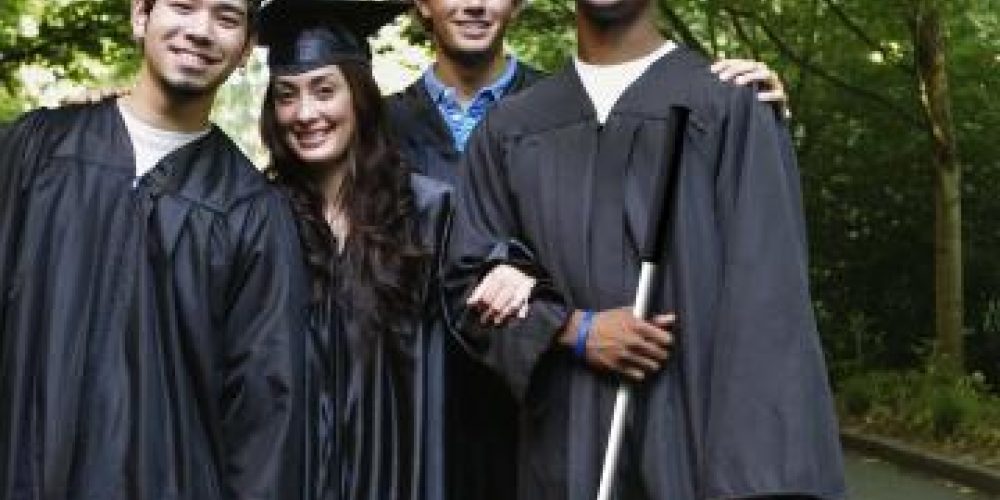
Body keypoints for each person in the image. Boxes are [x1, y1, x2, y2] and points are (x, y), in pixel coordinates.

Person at [385, 1, 794, 498]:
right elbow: (468, 279)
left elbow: (773, 316)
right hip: (552, 444)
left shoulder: (729, 106)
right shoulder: (513, 127)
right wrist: (574, 329)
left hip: (692, 445)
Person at [0, 0, 310, 499]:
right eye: (183, 6)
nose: (201, 31)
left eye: (226, 18)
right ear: (140, 16)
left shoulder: (253, 212)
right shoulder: (34, 152)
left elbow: (265, 417)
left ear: (247, 47)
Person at [255, 1, 469, 498]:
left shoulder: (428, 212)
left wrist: (515, 274)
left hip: (400, 477)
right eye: (286, 96)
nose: (305, 114)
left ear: (360, 98)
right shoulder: (260, 219)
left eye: (324, 91)